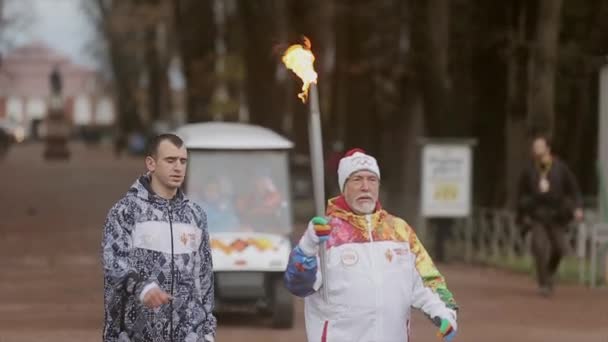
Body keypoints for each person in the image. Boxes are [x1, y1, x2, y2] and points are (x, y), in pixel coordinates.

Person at [284, 148, 458, 342]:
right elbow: (298, 285)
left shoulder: (399, 231)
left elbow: (428, 281)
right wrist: (308, 246)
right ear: (344, 186)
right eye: (357, 179)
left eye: (372, 179)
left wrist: (444, 312)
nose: (365, 187)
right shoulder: (324, 232)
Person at [101, 134, 216, 342]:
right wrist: (142, 287)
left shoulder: (195, 216)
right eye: (170, 160)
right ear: (151, 163)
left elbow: (204, 281)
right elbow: (114, 264)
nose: (178, 167)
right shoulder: (126, 211)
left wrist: (207, 333)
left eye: (183, 161)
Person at [516, 134, 583, 297]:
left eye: (539, 146)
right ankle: (544, 283)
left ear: (547, 148)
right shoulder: (529, 169)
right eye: (534, 147)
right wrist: (525, 210)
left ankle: (549, 271)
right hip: (537, 214)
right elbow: (521, 193)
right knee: (539, 247)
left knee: (560, 248)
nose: (536, 149)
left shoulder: (560, 167)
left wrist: (577, 208)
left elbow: (573, 188)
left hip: (556, 215)